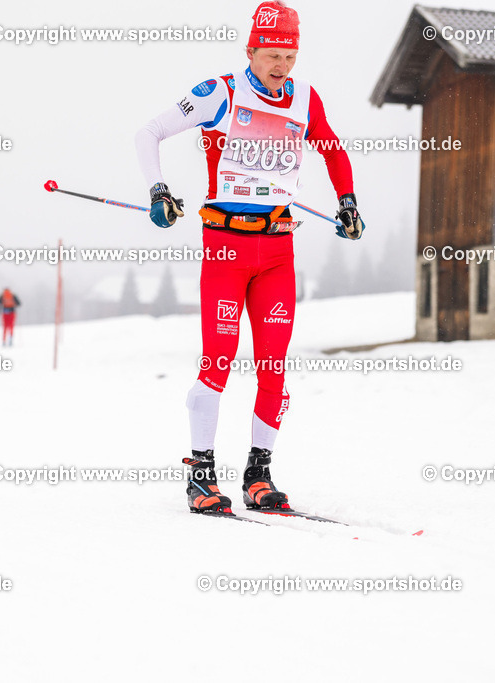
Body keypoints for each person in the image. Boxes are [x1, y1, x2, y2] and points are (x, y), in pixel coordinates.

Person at [135, 1, 365, 515]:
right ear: (251, 51)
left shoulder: (304, 98)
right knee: (217, 361)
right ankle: (201, 476)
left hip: (277, 252)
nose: (281, 66)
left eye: (289, 55)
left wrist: (346, 202)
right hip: (224, 247)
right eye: (271, 55)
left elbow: (332, 149)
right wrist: (158, 190)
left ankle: (258, 475)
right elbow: (147, 132)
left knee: (274, 367)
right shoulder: (220, 92)